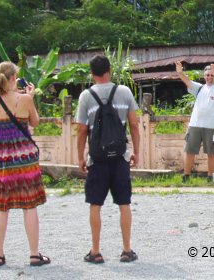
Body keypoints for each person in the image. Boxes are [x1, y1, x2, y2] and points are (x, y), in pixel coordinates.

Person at [0, 61, 50, 267]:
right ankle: (33, 254)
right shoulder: (25, 99)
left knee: (0, 207)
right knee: (29, 206)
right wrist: (29, 98)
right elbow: (35, 122)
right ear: (14, 78)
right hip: (24, 160)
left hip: (1, 160)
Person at [76, 55, 140, 263]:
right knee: (124, 203)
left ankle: (95, 251)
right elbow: (134, 125)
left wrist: (81, 157)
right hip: (120, 157)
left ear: (92, 73)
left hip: (98, 159)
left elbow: (82, 130)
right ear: (110, 70)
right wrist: (135, 151)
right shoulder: (124, 92)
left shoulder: (86, 96)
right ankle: (127, 250)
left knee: (95, 204)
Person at [175, 62, 214, 183]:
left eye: (211, 75)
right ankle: (186, 176)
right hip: (195, 124)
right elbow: (187, 81)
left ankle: (210, 176)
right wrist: (180, 72)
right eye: (207, 75)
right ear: (204, 76)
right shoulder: (199, 88)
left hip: (212, 126)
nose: (209, 77)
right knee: (190, 151)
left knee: (211, 152)